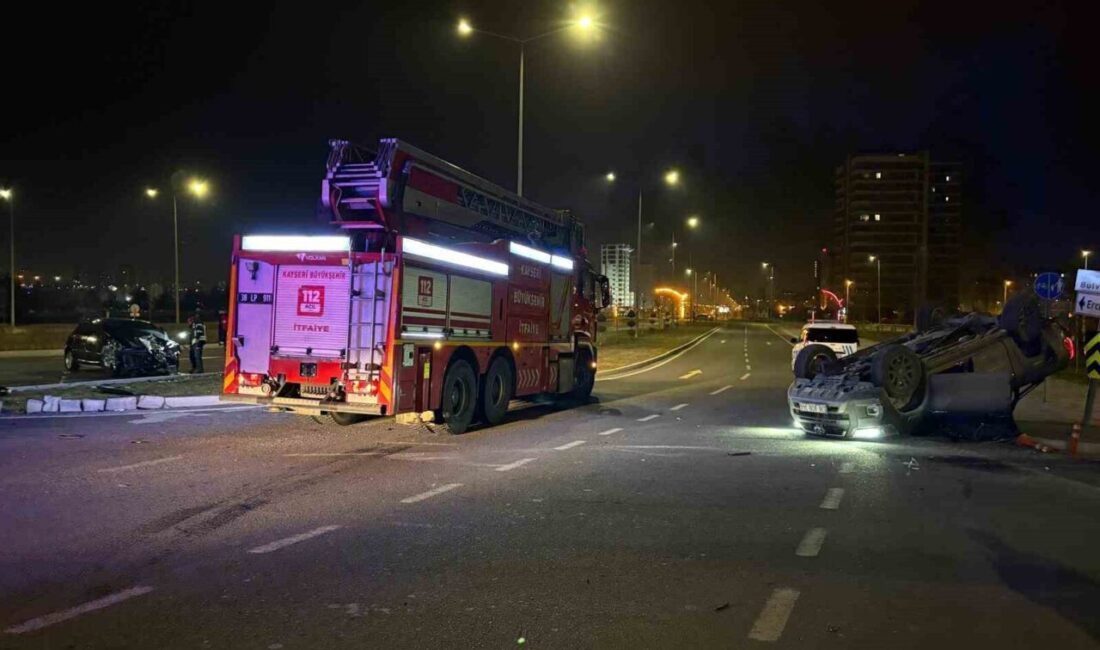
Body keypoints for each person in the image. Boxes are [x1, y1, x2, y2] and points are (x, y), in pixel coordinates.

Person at [188, 308, 207, 373]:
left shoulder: (197, 322)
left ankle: (199, 369)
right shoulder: (194, 324)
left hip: (198, 342)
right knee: (192, 355)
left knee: (197, 356)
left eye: (189, 321)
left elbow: (199, 332)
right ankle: (194, 368)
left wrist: (197, 339)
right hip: (194, 342)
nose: (188, 323)